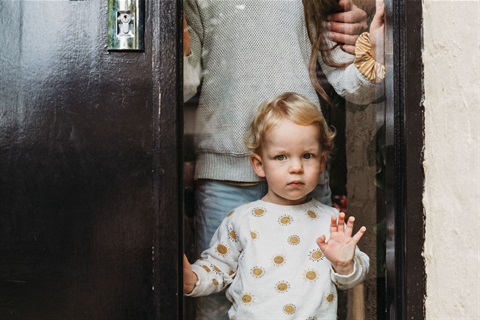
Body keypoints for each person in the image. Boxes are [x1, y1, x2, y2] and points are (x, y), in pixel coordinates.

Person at [183, 0, 385, 317]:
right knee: (215, 304)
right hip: (224, 176)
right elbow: (182, 85)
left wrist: (375, 51)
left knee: (310, 293)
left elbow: (352, 85)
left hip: (302, 173)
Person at [183, 92, 370, 319]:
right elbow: (218, 266)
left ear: (322, 162)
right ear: (259, 165)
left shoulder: (330, 221)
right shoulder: (242, 219)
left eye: (307, 155)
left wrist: (344, 264)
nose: (296, 167)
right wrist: (192, 279)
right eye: (281, 157)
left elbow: (353, 275)